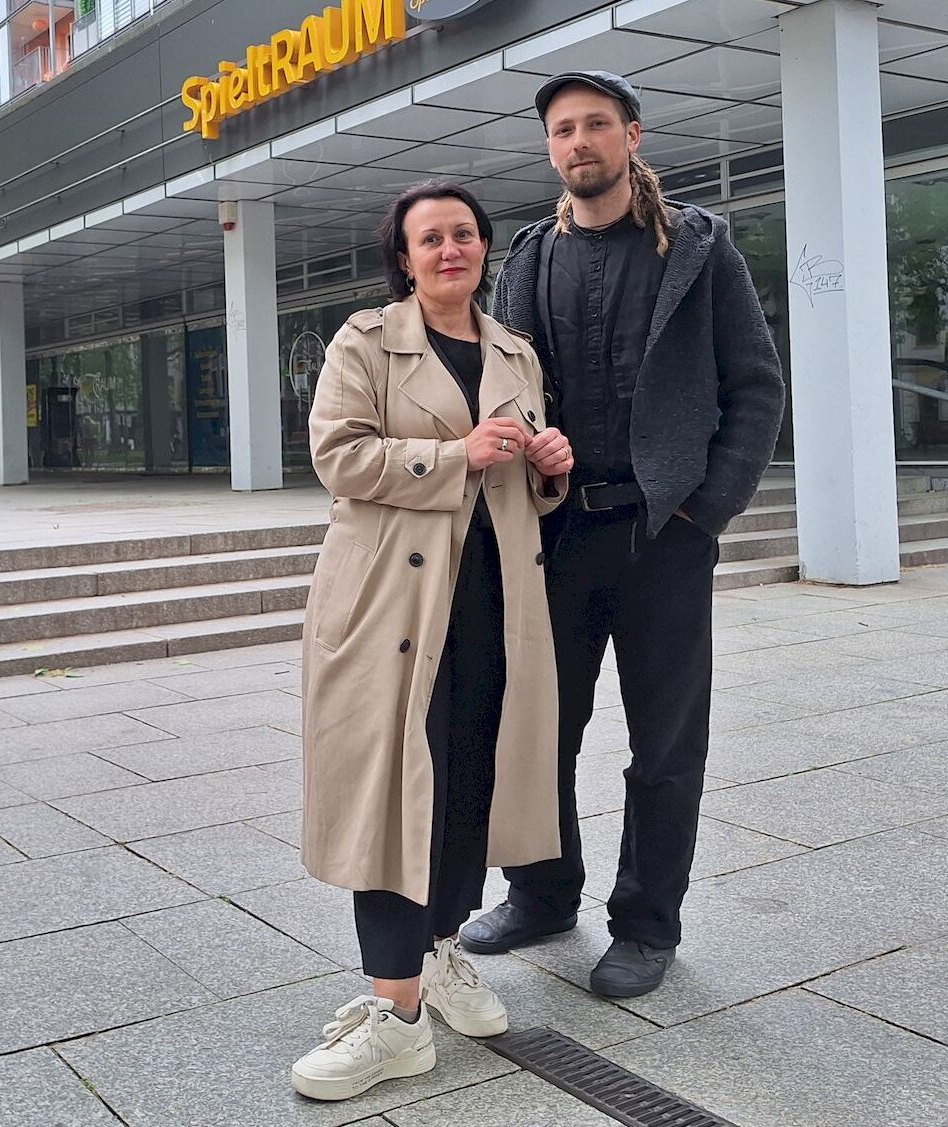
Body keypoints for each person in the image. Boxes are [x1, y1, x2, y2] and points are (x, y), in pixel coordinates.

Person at [460, 71, 786, 999]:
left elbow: (757, 386)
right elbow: (504, 391)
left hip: (663, 536)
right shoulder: (525, 257)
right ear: (549, 148)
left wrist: (704, 508)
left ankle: (646, 923)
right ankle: (542, 891)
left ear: (633, 135)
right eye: (562, 131)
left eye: (596, 125)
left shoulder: (698, 248)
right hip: (555, 539)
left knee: (667, 742)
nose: (579, 144)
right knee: (538, 729)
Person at [291, 180, 574, 1103]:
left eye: (463, 234)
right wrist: (456, 457)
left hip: (493, 604)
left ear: (484, 249)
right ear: (404, 259)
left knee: (469, 781)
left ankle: (441, 950)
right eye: (429, 239)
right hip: (391, 610)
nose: (449, 249)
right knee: (395, 794)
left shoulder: (515, 352)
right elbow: (339, 456)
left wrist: (548, 468)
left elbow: (522, 476)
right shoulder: (365, 342)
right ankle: (395, 1014)